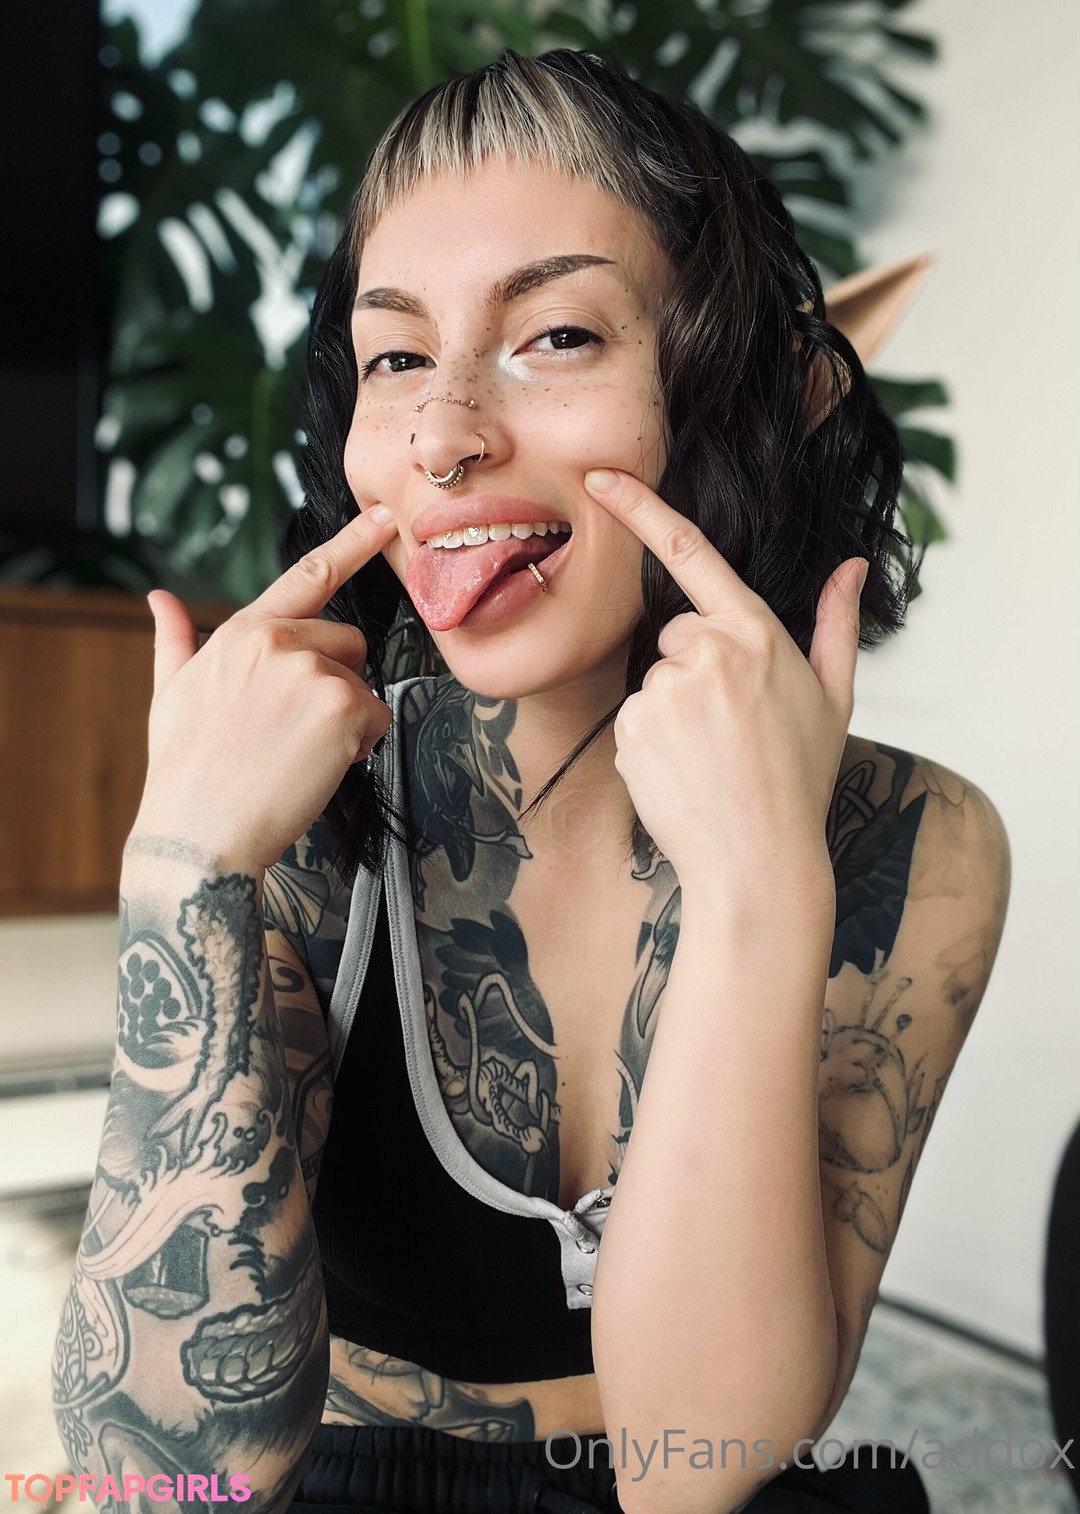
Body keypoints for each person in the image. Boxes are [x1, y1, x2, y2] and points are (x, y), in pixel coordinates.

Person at [53, 46, 1011, 1514]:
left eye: (556, 335)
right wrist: (181, 868)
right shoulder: (308, 811)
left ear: (753, 400)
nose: (441, 438)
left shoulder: (921, 841)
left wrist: (760, 882)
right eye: (394, 358)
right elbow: (167, 1484)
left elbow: (696, 1468)